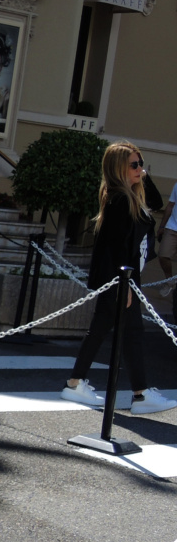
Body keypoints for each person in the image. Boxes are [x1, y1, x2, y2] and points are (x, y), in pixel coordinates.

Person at [61, 141, 177, 414]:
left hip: (123, 277)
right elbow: (116, 245)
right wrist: (124, 284)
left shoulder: (127, 196)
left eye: (141, 164)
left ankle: (76, 384)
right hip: (121, 277)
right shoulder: (119, 200)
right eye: (134, 165)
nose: (140, 169)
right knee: (132, 333)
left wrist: (142, 177)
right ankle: (140, 394)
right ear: (118, 169)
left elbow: (158, 203)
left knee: (105, 330)